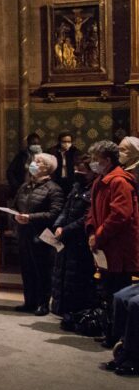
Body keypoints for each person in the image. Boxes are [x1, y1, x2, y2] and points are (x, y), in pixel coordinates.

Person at [85, 140, 139, 342]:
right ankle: (110, 331)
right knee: (107, 291)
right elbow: (92, 211)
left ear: (107, 160)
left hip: (118, 248)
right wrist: (91, 231)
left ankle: (119, 337)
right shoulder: (101, 180)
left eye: (95, 159)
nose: (92, 163)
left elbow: (120, 216)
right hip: (104, 245)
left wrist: (98, 236)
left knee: (117, 292)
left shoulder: (119, 181)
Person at [11, 152, 65, 316]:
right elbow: (16, 205)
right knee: (27, 268)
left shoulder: (53, 189)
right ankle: (29, 301)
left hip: (41, 235)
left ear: (47, 168)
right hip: (24, 233)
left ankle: (42, 303)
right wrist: (16, 216)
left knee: (42, 269)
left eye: (38, 162)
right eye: (33, 161)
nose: (33, 164)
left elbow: (54, 213)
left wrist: (31, 218)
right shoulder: (25, 186)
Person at [51, 156, 98, 322]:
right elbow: (66, 208)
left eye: (82, 170)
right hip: (66, 237)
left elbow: (88, 216)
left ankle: (76, 313)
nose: (78, 172)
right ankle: (62, 310)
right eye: (76, 168)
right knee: (63, 275)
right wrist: (59, 225)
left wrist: (67, 229)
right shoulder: (77, 187)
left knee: (77, 278)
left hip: (79, 239)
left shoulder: (95, 189)